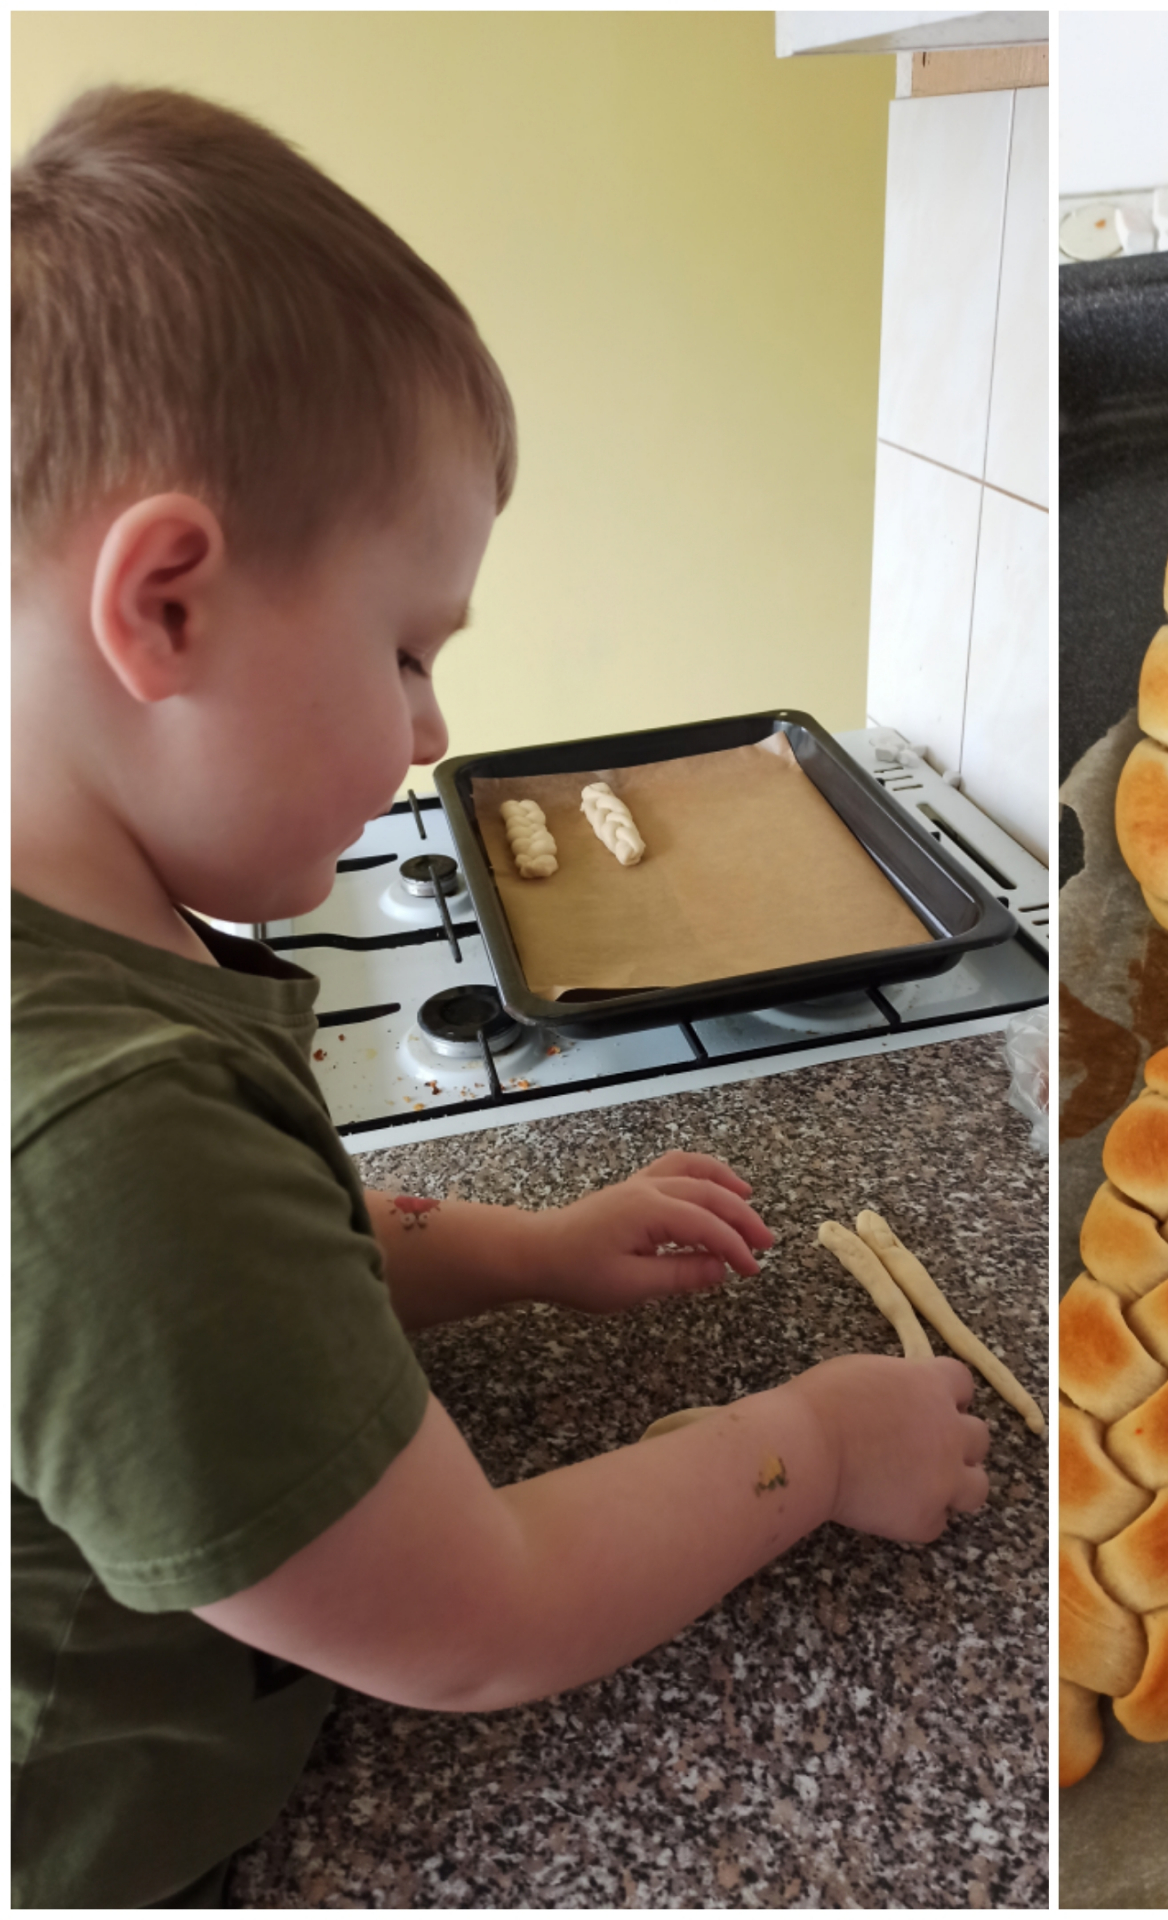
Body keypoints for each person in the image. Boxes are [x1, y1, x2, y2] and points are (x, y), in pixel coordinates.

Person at [11, 85, 990, 1909]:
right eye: (404, 650)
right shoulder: (101, 1137)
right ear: (164, 610)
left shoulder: (83, 955)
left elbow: (257, 1278)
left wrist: (521, 1251)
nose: (431, 731)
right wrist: (811, 1441)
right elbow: (474, 1621)